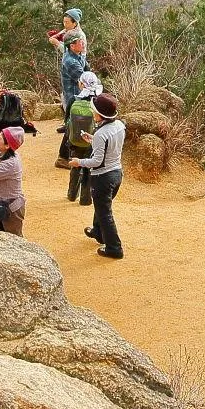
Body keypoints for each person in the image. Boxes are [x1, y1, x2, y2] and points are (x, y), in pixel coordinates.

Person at [70, 93, 126, 259]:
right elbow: (110, 146)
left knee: (105, 212)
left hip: (103, 177)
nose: (92, 111)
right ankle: (98, 232)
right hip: (117, 173)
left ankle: (114, 248)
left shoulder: (102, 134)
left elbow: (96, 161)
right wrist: (93, 140)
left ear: (100, 114)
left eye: (93, 110)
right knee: (102, 207)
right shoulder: (119, 126)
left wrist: (78, 162)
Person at [66, 71, 102, 206]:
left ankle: (71, 194)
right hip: (92, 141)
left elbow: (66, 121)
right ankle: (85, 199)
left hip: (75, 141)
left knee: (75, 165)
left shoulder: (73, 100)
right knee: (88, 168)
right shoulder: (98, 101)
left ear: (82, 84)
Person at [56, 30, 89, 168]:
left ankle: (72, 154)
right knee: (72, 125)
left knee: (77, 124)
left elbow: (88, 71)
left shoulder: (78, 55)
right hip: (74, 98)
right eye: (80, 41)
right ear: (72, 46)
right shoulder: (70, 61)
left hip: (79, 96)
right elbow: (85, 79)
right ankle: (63, 157)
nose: (83, 43)